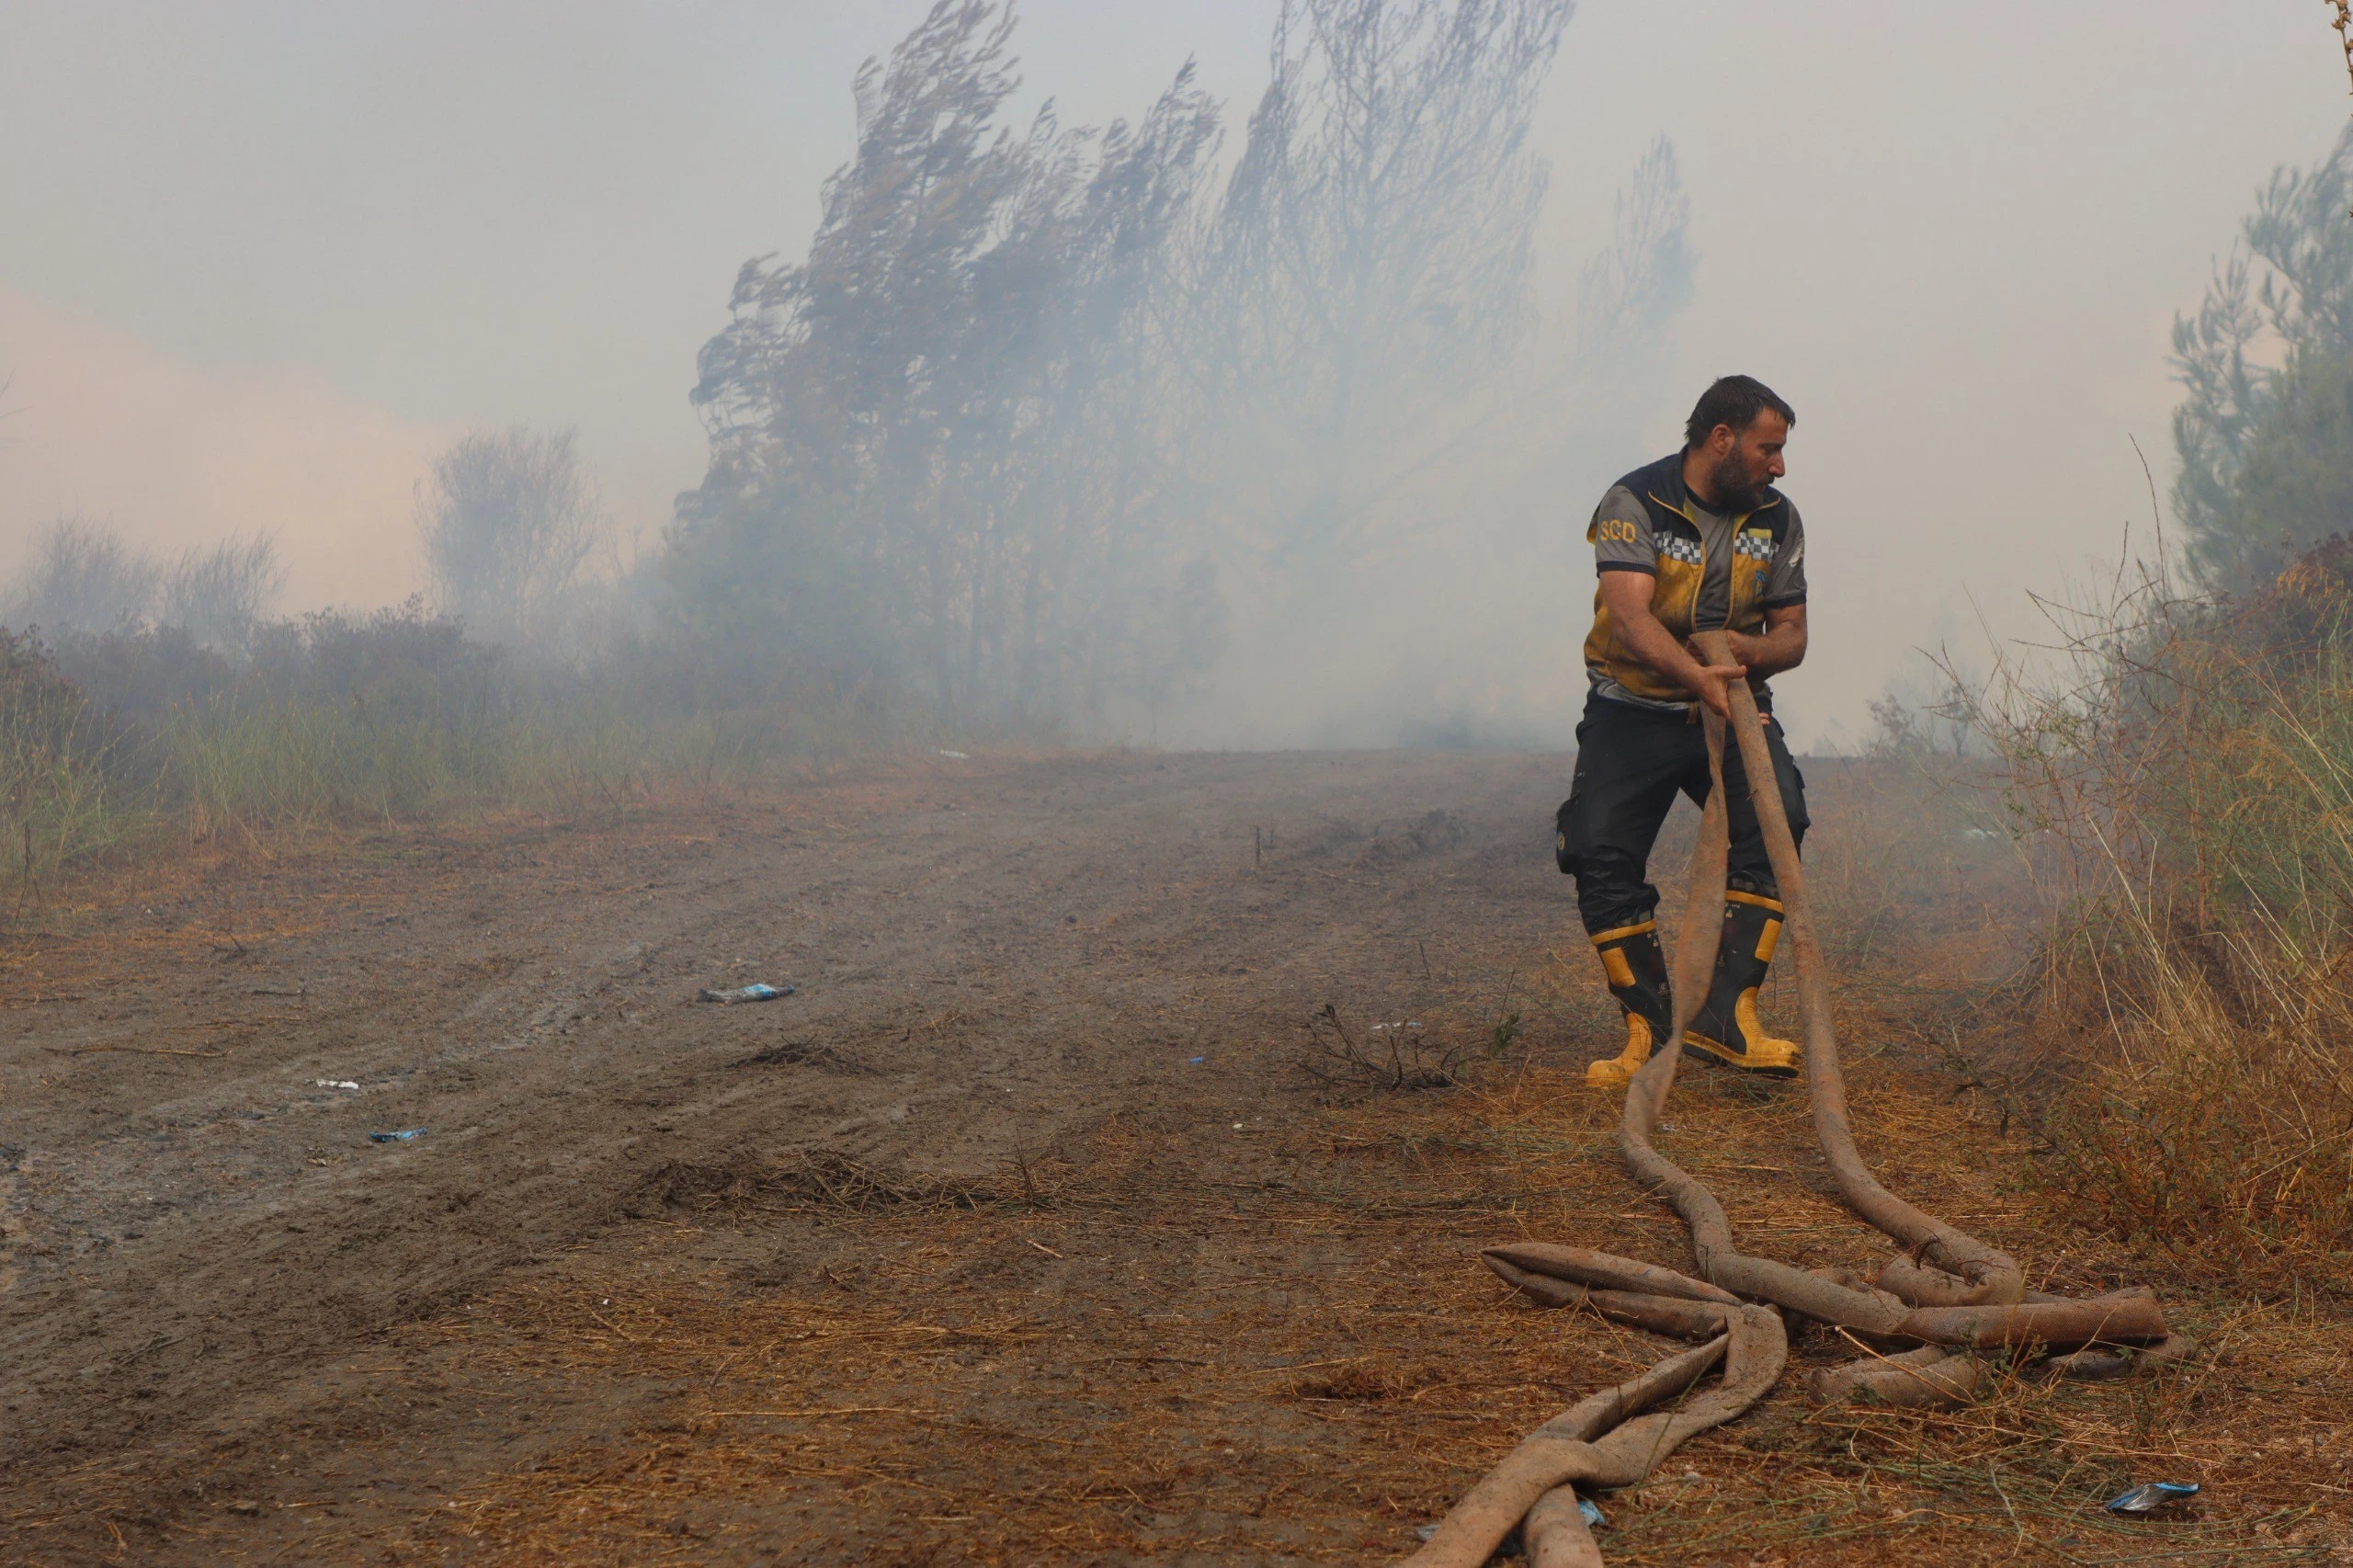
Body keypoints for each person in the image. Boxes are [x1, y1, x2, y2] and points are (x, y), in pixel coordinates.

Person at [1557, 375, 1811, 1087]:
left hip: (1733, 707)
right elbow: (1631, 619)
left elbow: (1792, 637)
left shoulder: (1778, 519)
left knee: (1779, 821)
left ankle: (1726, 1018)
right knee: (1597, 850)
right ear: (1722, 439)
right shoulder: (1634, 502)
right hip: (1632, 708)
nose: (1780, 466)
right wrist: (1698, 674)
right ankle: (1650, 1030)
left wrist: (1740, 653)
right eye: (1768, 449)